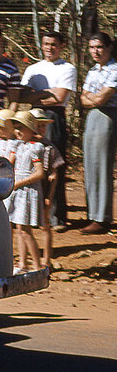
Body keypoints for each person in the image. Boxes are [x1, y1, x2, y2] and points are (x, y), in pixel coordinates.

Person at [20, 30, 77, 227]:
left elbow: (60, 98)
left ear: (61, 46)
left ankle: (57, 216)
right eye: (46, 44)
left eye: (53, 44)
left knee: (54, 165)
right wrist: (46, 93)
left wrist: (37, 94)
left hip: (54, 116)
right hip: (33, 118)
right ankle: (36, 217)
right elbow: (22, 97)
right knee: (34, 165)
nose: (49, 48)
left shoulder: (68, 68)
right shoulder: (33, 69)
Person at [80, 32, 117, 235]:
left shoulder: (115, 69)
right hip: (92, 117)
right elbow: (83, 99)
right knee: (90, 165)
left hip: (108, 117)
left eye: (100, 47)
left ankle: (102, 218)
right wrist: (93, 97)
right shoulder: (93, 70)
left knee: (102, 166)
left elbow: (101, 99)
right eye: (92, 47)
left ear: (109, 47)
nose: (96, 51)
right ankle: (92, 214)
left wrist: (92, 97)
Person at [7, 111, 45, 273]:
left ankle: (37, 267)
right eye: (15, 128)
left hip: (27, 190)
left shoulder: (36, 148)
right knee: (19, 228)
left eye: (21, 128)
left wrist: (19, 182)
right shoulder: (18, 146)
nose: (18, 131)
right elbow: (9, 163)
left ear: (31, 129)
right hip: (17, 189)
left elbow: (39, 173)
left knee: (25, 230)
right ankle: (23, 264)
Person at [30, 108, 63, 268]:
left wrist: (49, 195)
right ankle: (28, 258)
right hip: (28, 190)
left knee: (45, 225)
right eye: (37, 125)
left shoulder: (49, 147)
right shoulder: (24, 145)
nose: (41, 129)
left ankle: (46, 260)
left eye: (43, 126)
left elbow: (54, 174)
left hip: (43, 190)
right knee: (24, 226)